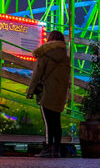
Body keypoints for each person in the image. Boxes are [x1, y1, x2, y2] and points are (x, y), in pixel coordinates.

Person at [26, 30, 71, 158]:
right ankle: (56, 149)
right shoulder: (65, 58)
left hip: (47, 92)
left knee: (48, 123)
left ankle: (47, 148)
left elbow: (37, 74)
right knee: (56, 121)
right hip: (60, 94)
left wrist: (30, 91)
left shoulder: (44, 54)